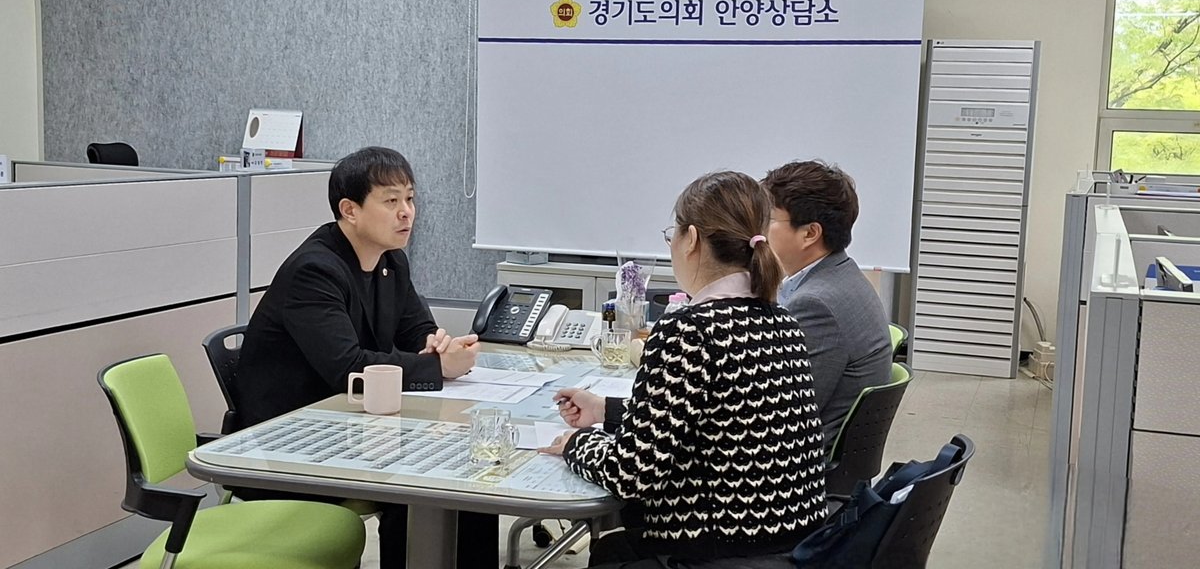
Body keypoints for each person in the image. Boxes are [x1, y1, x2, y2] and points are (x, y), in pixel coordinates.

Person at [544, 171, 827, 568]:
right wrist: (608, 410)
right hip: (791, 545)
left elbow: (630, 474)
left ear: (691, 239)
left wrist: (577, 444)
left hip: (715, 549)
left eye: (671, 235)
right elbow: (720, 416)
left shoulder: (689, 330)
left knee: (614, 550)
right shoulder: (782, 321)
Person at [234, 146, 495, 569]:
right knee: (426, 482)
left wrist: (438, 345)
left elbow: (416, 331)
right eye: (391, 201)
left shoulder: (392, 262)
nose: (406, 212)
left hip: (354, 426)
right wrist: (437, 367)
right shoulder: (314, 271)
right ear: (349, 210)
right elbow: (349, 367)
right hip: (294, 441)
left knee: (470, 476)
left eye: (410, 198)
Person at [761, 160, 892, 446]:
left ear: (810, 233)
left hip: (806, 463)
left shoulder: (815, 305)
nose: (758, 231)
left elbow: (783, 413)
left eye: (768, 219)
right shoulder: (841, 272)